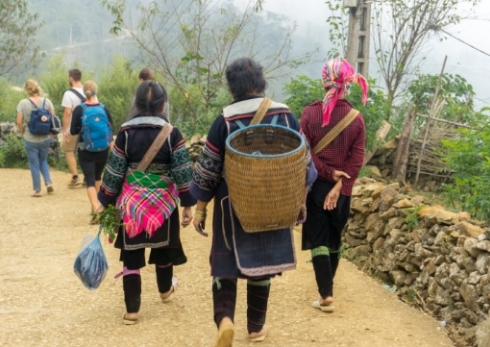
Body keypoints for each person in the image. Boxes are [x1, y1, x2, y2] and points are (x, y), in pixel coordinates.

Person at [190, 57, 317, 346]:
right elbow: (305, 164)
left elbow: (209, 170)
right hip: (274, 201)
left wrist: (200, 210)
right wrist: (297, 200)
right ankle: (256, 328)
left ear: (232, 87)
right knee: (263, 262)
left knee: (225, 265)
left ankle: (225, 321)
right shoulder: (285, 115)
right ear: (261, 83)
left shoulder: (224, 120)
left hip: (232, 203)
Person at [97, 81, 195, 325]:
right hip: (164, 205)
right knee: (163, 249)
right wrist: (188, 204)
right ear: (163, 103)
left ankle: (132, 311)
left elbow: (114, 172)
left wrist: (105, 200)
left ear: (137, 104)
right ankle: (164, 291)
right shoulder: (172, 133)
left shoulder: (125, 133)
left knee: (131, 254)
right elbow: (183, 171)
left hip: (132, 204)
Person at [300, 57, 367, 312]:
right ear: (347, 83)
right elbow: (357, 158)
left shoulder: (309, 113)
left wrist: (328, 174)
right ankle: (328, 289)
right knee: (334, 239)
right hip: (343, 190)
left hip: (316, 185)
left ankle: (326, 295)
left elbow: (305, 153)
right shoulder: (356, 119)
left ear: (324, 80)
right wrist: (340, 185)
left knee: (318, 239)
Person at [70, 81, 114, 223]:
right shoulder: (104, 108)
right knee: (97, 178)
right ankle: (99, 206)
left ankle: (96, 210)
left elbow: (73, 131)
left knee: (89, 180)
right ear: (96, 91)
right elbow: (110, 127)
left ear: (85, 92)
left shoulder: (79, 109)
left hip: (86, 150)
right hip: (103, 149)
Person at [16, 79, 55, 197]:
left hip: (30, 137)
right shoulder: (47, 102)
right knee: (43, 160)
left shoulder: (23, 103)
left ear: (26, 90)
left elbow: (18, 121)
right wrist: (51, 133)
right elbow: (53, 119)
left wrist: (23, 133)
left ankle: (37, 190)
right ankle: (48, 183)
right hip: (45, 137)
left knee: (34, 164)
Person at [61, 68, 86, 187]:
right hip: (88, 127)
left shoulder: (68, 93)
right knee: (85, 151)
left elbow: (67, 113)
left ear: (71, 78)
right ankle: (87, 177)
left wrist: (64, 130)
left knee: (69, 150)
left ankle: (75, 176)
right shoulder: (89, 90)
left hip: (73, 127)